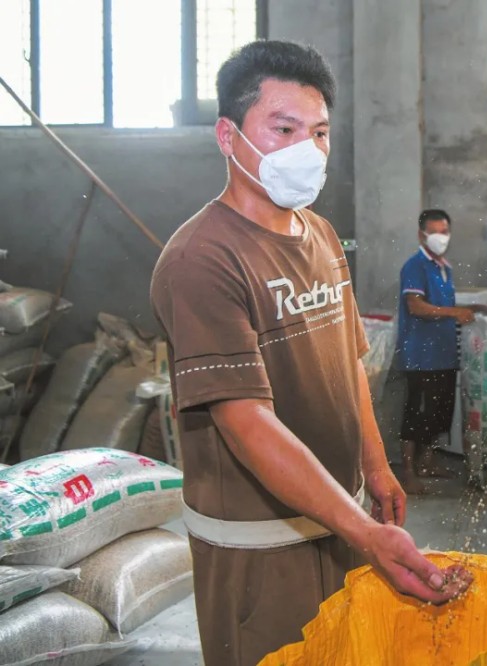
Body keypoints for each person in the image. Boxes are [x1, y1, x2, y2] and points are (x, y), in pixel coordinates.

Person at [150, 41, 469, 666]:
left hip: (341, 521)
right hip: (260, 548)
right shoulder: (201, 260)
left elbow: (347, 364)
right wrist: (367, 534)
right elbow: (247, 422)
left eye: (319, 132)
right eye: (284, 129)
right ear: (228, 136)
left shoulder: (319, 233)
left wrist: (375, 467)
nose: (309, 149)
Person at [396, 209, 482, 494]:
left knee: (439, 412)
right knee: (416, 413)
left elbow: (442, 307)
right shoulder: (415, 266)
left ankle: (428, 462)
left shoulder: (445, 268)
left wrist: (469, 309)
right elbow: (416, 306)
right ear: (422, 235)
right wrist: (455, 312)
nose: (440, 237)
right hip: (421, 355)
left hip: (443, 353)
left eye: (444, 232)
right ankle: (408, 473)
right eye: (434, 232)